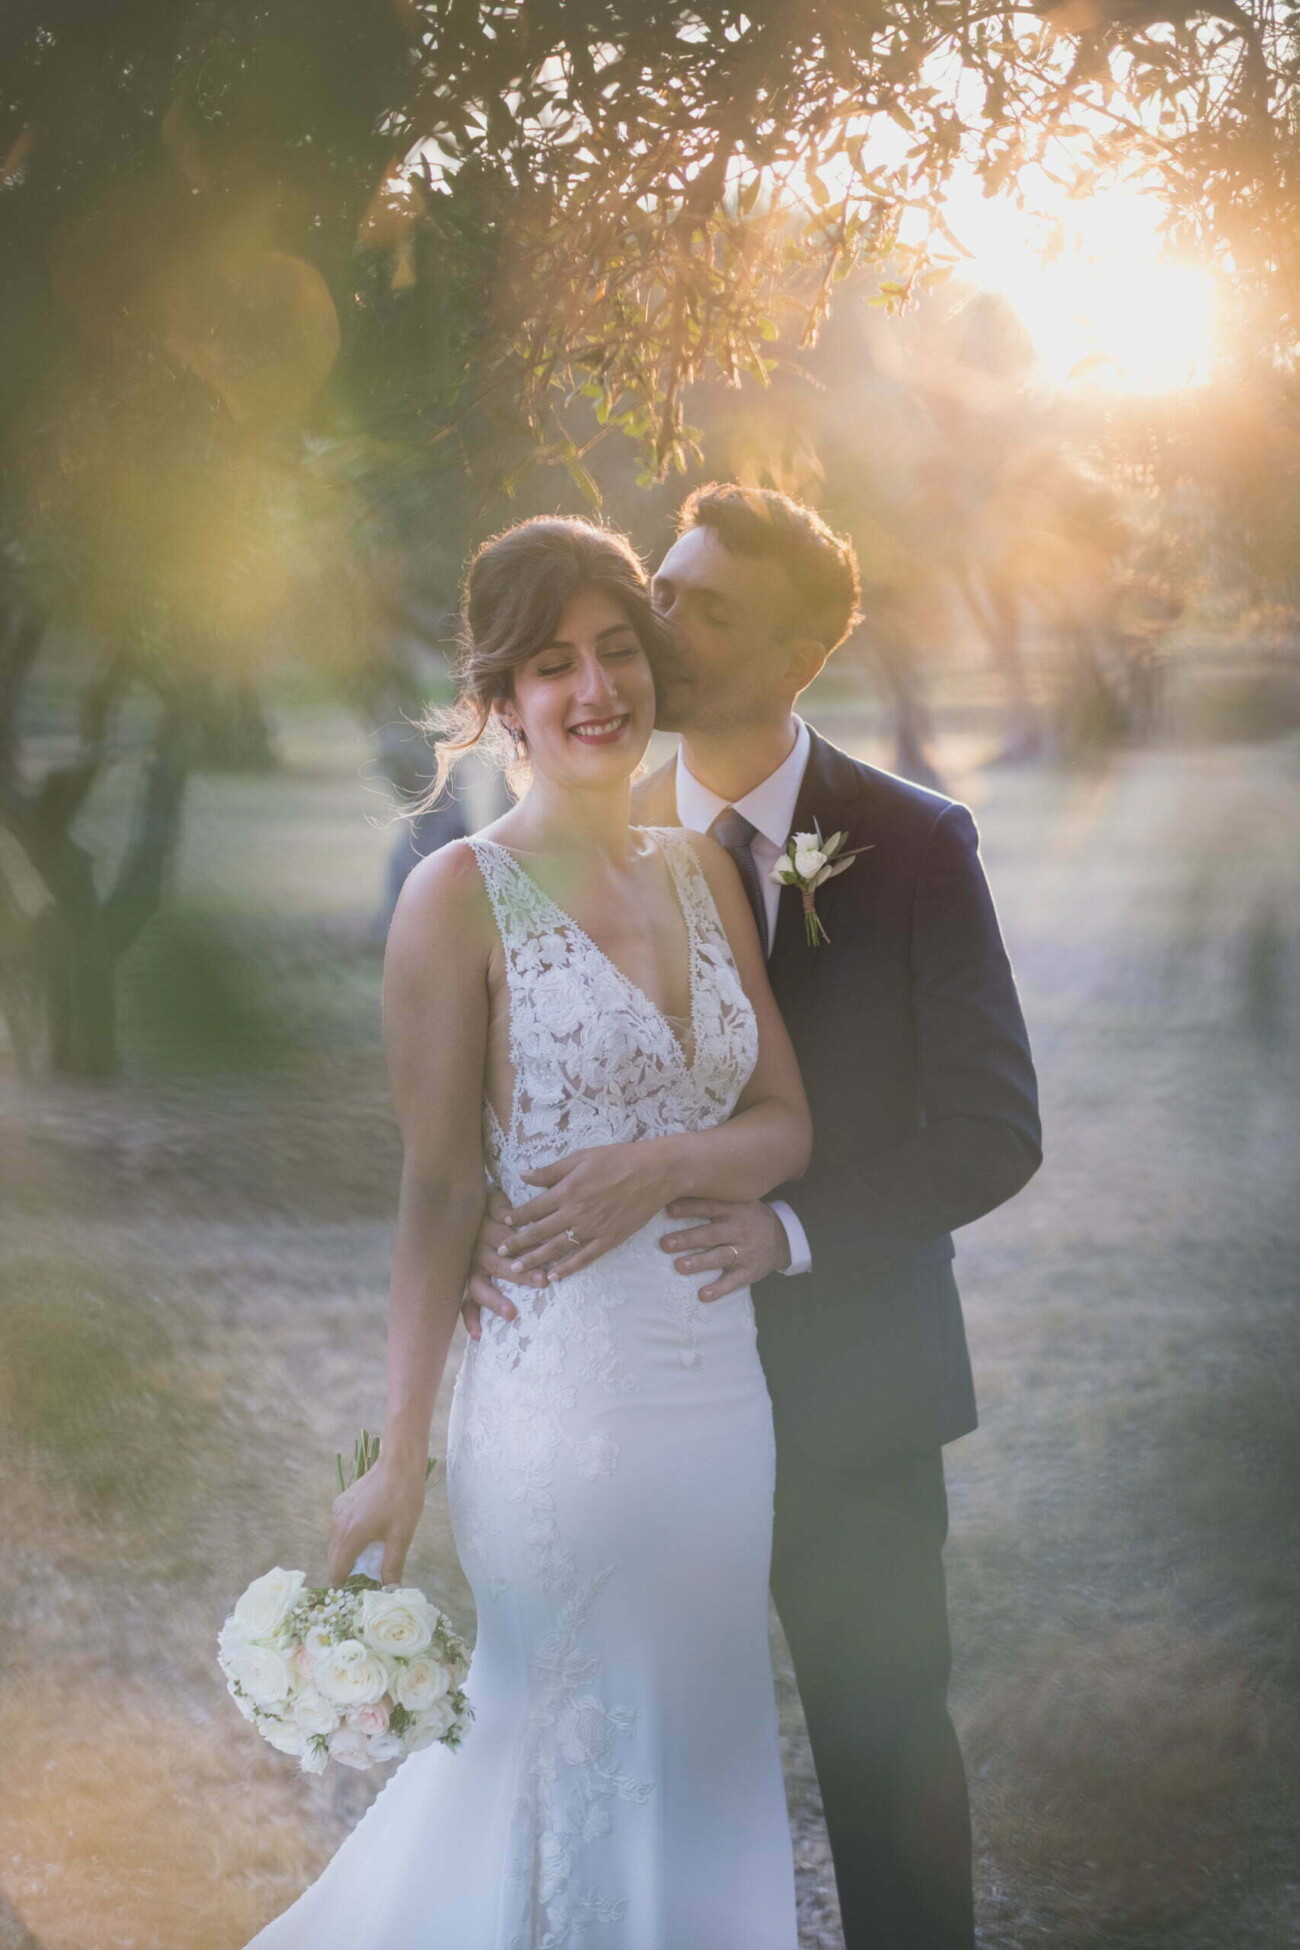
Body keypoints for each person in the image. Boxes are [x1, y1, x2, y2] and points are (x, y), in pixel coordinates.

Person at [465, 485, 1043, 1948]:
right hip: (642, 1391)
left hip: (854, 1389)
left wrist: (791, 1232)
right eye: (666, 586)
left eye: (707, 607)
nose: (662, 625)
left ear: (799, 652)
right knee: (644, 1762)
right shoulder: (599, 829)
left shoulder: (912, 841)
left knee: (880, 1743)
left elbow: (994, 1128)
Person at [243, 516, 812, 1950]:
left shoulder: (703, 872)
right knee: (546, 1737)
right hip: (556, 1402)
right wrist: (397, 1452)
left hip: (718, 1401)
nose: (596, 688)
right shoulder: (455, 899)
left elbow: (785, 1122)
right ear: (502, 702)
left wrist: (664, 1162)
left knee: (703, 1738)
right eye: (553, 665)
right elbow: (438, 1191)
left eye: (619, 650)